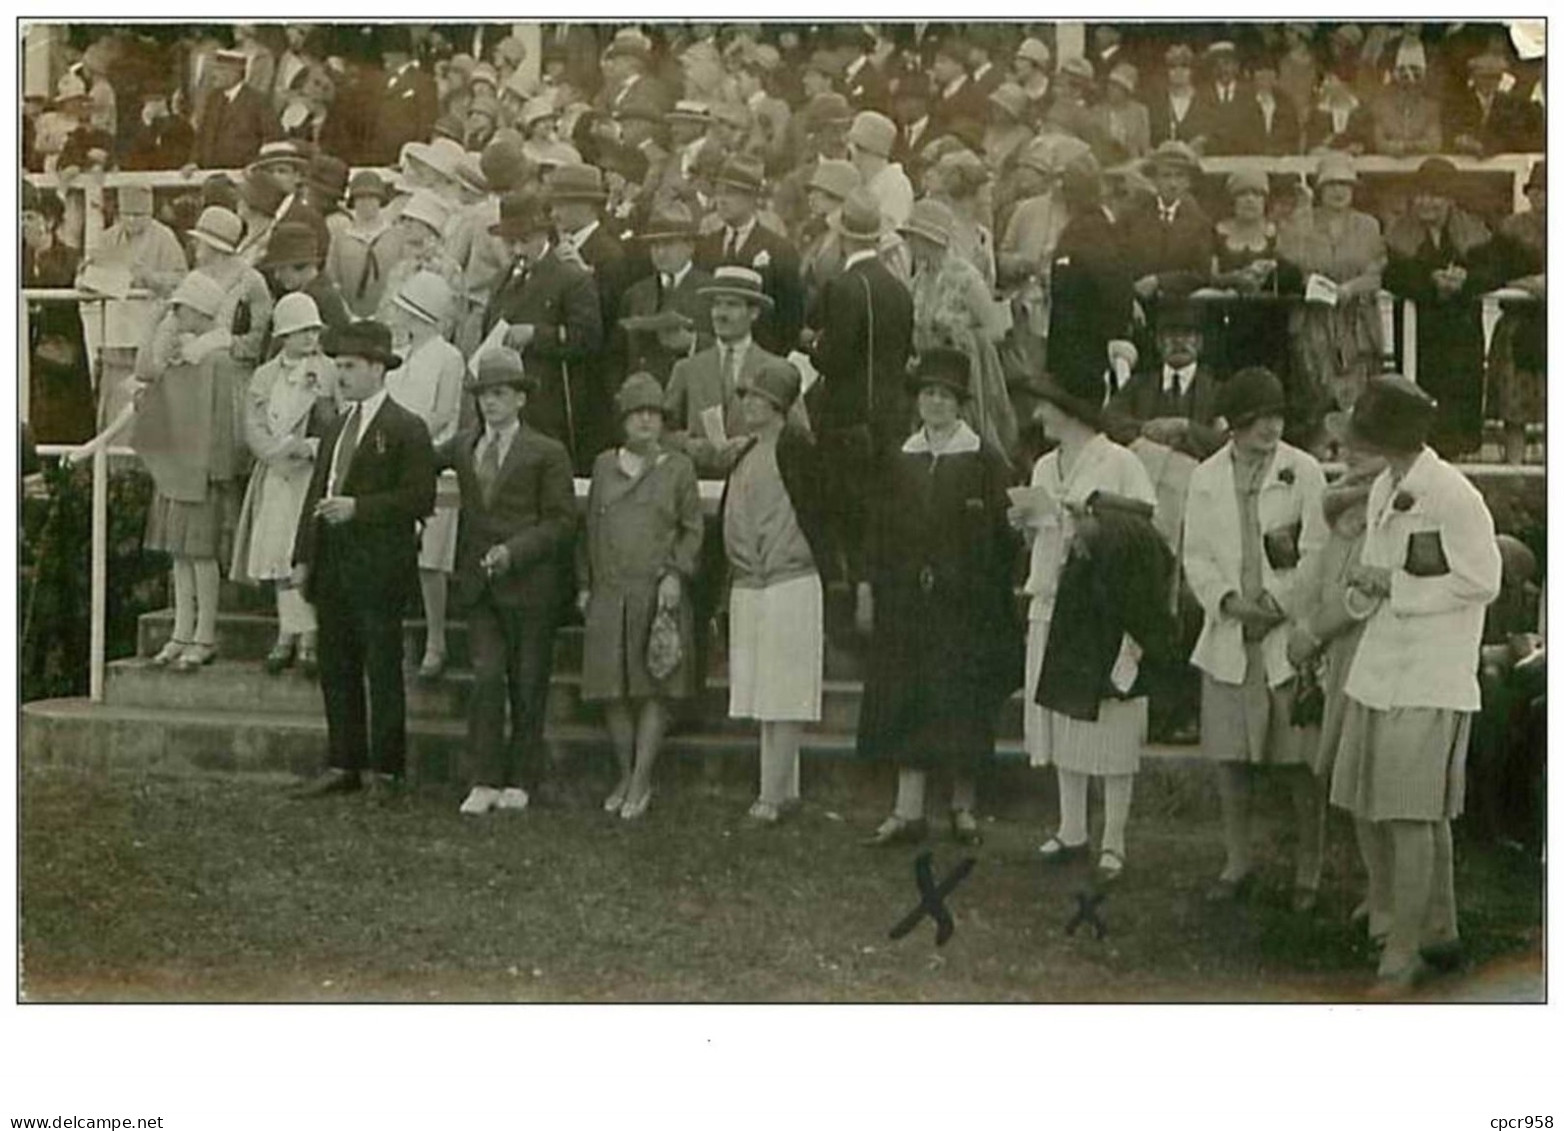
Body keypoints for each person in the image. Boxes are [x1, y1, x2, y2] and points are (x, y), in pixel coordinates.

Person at [1327, 375, 1501, 995]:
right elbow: (1378, 570)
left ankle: (1402, 954)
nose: (1351, 452)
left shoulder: (1454, 496)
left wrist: (1398, 589)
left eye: (1362, 439)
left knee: (1411, 815)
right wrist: (1370, 587)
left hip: (1432, 675)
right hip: (1380, 671)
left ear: (1391, 440)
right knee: (1379, 808)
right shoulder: (1383, 488)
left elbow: (1483, 581)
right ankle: (1437, 930)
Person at [857, 349, 1020, 847]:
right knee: (906, 699)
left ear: (961, 404)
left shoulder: (984, 461)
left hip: (965, 608)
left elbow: (1003, 537)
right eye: (928, 393)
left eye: (945, 395)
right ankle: (908, 811)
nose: (935, 403)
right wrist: (869, 586)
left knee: (962, 703)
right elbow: (877, 531)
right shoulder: (900, 458)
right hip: (907, 605)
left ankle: (962, 807)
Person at [1182, 366, 1330, 907]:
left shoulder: (1304, 471)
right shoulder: (1206, 478)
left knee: (1297, 764)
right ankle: (1237, 861)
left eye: (1276, 417)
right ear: (1233, 424)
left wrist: (1277, 602)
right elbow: (1195, 554)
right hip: (1230, 635)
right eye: (1257, 419)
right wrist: (1228, 602)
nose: (1269, 428)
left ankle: (1308, 872)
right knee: (1231, 760)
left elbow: (1316, 550)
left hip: (1283, 638)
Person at [1018, 361, 1164, 881]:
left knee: (1110, 720)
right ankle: (1071, 827)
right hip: (1053, 601)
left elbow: (1145, 529)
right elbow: (1042, 534)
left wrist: (1094, 522)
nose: (1037, 414)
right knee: (1062, 715)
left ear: (1069, 411)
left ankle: (1114, 839)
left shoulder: (1119, 462)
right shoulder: (1043, 466)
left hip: (1102, 606)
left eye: (1044, 405)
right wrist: (1030, 522)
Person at [291, 320, 436, 800]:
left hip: (379, 567)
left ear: (378, 368)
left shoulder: (405, 428)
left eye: (350, 367)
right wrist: (303, 556)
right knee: (337, 667)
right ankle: (343, 762)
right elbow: (318, 491)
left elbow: (420, 497)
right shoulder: (337, 426)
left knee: (382, 669)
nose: (342, 376)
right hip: (333, 566)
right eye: (338, 367)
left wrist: (361, 509)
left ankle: (387, 771)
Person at [441, 348, 575, 816]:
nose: (489, 404)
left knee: (528, 681)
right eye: (483, 396)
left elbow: (560, 522)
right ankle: (484, 778)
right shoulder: (463, 446)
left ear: (520, 398)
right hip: (480, 587)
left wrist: (514, 552)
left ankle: (521, 778)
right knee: (486, 676)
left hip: (531, 586)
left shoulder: (546, 451)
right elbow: (418, 458)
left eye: (499, 395)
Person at [579, 373, 705, 819]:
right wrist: (584, 583)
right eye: (637, 414)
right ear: (623, 421)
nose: (646, 421)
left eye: (653, 413)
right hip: (611, 592)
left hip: (658, 593)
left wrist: (675, 574)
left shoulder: (678, 468)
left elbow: (693, 530)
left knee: (655, 687)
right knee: (611, 689)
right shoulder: (602, 466)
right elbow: (590, 528)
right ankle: (624, 771)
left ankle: (641, 780)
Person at [1285, 414, 1386, 921]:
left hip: (1370, 656)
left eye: (1360, 446)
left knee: (1373, 780)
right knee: (1352, 780)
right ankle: (1377, 887)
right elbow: (1320, 577)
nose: (1348, 454)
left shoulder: (1385, 509)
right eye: (1346, 446)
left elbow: (1359, 596)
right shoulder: (1342, 506)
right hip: (1340, 663)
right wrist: (1303, 627)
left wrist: (1313, 632)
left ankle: (1386, 893)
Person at [720, 358, 829, 823]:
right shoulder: (747, 451)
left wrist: (804, 553)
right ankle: (782, 787)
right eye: (745, 396)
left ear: (779, 406)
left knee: (784, 689)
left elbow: (822, 513)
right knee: (764, 689)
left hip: (789, 580)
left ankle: (772, 796)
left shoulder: (797, 448)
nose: (747, 404)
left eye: (757, 398)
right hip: (752, 583)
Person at [119, 271, 244, 674]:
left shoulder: (218, 359)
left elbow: (224, 422)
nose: (177, 314)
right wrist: (155, 322)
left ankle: (204, 634)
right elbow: (145, 369)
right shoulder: (181, 351)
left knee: (201, 555)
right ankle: (181, 630)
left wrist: (220, 471)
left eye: (182, 308)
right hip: (177, 465)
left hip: (202, 471)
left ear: (200, 310)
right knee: (180, 555)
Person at [804, 189, 915, 618]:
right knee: (881, 512)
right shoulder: (898, 290)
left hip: (847, 421)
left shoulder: (842, 287)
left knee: (846, 513)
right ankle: (878, 596)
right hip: (890, 419)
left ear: (845, 239)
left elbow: (834, 358)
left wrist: (814, 344)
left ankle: (853, 600)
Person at [230, 293, 338, 677]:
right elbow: (253, 424)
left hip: (311, 474)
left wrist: (311, 447)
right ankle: (286, 633)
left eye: (313, 330)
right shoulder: (264, 375)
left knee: (303, 555)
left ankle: (309, 637)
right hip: (276, 473)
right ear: (283, 336)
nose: (310, 338)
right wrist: (273, 453)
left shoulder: (327, 371)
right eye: (301, 331)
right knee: (277, 554)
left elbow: (336, 421)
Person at [1383, 157, 1497, 459]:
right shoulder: (1399, 233)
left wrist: (1465, 279)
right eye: (1421, 194)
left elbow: (1491, 271)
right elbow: (1392, 275)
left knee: (1458, 415)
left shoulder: (1474, 230)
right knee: (1418, 413)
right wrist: (1431, 280)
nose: (1426, 202)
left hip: (1460, 338)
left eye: (1435, 195)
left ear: (1450, 198)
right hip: (1419, 339)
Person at [482, 190, 604, 471]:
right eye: (510, 242)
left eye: (524, 241)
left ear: (543, 236)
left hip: (550, 406)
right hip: (504, 406)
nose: (517, 250)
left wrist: (536, 334)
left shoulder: (571, 279)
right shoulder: (500, 280)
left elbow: (590, 338)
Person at [385, 271, 467, 679]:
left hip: (432, 463)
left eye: (405, 308)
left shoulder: (449, 358)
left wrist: (408, 444)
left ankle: (437, 642)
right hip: (393, 464)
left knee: (430, 561)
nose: (399, 314)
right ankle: (393, 641)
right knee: (394, 556)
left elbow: (442, 413)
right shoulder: (399, 355)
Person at [1276, 153, 1385, 447]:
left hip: (1355, 321)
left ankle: (1352, 455)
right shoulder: (1302, 222)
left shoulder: (1368, 226)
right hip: (1313, 319)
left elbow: (1377, 272)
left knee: (1355, 393)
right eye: (1331, 184)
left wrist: (1350, 288)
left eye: (1345, 184)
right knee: (1316, 391)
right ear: (1320, 188)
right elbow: (1288, 264)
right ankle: (1318, 456)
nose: (1338, 191)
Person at [899, 197, 1017, 461]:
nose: (910, 244)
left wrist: (960, 338)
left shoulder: (966, 277)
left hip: (965, 379)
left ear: (930, 239)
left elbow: (997, 329)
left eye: (914, 237)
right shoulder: (919, 280)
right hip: (929, 378)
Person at [694, 154, 805, 356]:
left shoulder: (779, 250)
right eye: (719, 192)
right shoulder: (705, 246)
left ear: (753, 198)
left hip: (762, 358)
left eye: (731, 193)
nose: (722, 200)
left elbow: (791, 317)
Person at [22, 184, 94, 444]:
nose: (22, 225)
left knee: (65, 424)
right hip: (24, 352)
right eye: (19, 218)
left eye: (29, 217)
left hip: (62, 353)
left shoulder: (71, 258)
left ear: (50, 221)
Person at [1486, 161, 1545, 464]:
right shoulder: (1511, 227)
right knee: (1514, 408)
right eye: (1538, 191)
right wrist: (1529, 284)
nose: (1544, 198)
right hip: (1519, 324)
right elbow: (1494, 270)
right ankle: (1514, 471)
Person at [617, 203, 715, 384]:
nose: (660, 252)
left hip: (692, 394)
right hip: (644, 401)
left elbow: (730, 348)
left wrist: (693, 342)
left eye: (668, 244)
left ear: (690, 246)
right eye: (654, 245)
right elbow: (619, 356)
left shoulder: (711, 291)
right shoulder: (635, 294)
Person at [327, 171, 402, 319]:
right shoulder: (341, 238)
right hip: (351, 315)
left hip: (389, 315)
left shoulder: (396, 236)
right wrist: (346, 313)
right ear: (353, 202)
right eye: (361, 198)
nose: (366, 203)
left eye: (372, 197)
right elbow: (333, 279)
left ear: (380, 200)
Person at [192, 49, 281, 169]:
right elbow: (202, 136)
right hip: (210, 173)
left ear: (235, 73)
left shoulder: (257, 101)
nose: (214, 74)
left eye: (220, 69)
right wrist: (193, 162)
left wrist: (257, 167)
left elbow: (273, 139)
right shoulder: (213, 99)